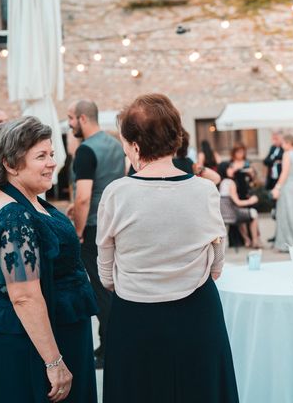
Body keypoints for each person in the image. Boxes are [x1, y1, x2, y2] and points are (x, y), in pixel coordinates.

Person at [96, 94, 239, 403]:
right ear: (174, 140)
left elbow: (105, 265)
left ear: (135, 145)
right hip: (196, 308)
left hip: (134, 310)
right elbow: (218, 256)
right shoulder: (204, 189)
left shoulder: (117, 193)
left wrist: (120, 283)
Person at [0, 116, 97, 402]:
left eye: (52, 154)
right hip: (32, 343)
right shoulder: (14, 216)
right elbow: (24, 296)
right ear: (9, 163)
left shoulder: (29, 199)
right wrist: (54, 362)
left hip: (55, 330)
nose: (52, 163)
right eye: (41, 156)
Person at [67, 100, 125, 369]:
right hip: (117, 219)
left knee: (101, 288)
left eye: (70, 118)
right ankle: (106, 343)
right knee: (114, 284)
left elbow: (83, 198)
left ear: (82, 118)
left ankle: (112, 347)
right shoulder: (115, 144)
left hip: (94, 225)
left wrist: (77, 231)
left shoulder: (86, 150)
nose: (69, 124)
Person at [272, 135, 293, 251]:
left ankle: (287, 244)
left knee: (286, 214)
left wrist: (277, 187)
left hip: (287, 187)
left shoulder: (287, 154)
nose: (282, 145)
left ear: (287, 143)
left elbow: (284, 173)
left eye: (283, 143)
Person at [218, 165, 261, 248]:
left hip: (224, 215)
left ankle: (247, 240)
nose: (232, 170)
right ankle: (254, 241)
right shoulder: (231, 183)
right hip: (232, 214)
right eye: (230, 168)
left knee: (242, 215)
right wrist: (251, 200)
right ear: (225, 170)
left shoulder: (222, 183)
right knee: (253, 213)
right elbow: (238, 202)